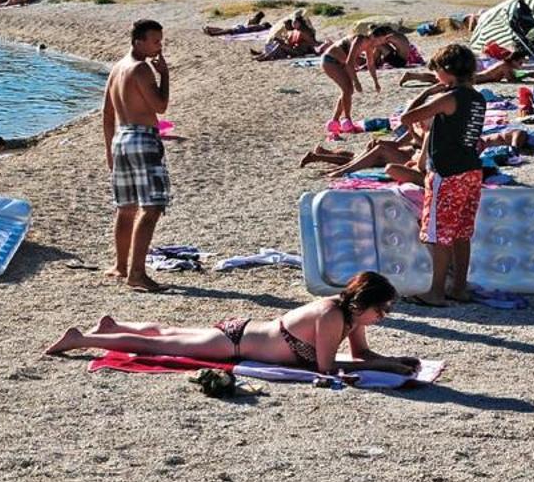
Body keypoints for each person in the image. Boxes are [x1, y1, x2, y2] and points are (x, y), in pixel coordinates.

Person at [45, 271, 416, 377]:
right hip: (235, 343)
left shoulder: (349, 315)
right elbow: (326, 367)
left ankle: (114, 326)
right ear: (365, 304)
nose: (383, 317)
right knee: (161, 346)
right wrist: (384, 366)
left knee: (170, 333)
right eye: (381, 310)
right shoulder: (331, 316)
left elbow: (362, 354)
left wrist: (393, 360)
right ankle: (83, 339)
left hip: (244, 331)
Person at [398, 43, 486, 307]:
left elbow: (407, 118)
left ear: (446, 71)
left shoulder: (449, 98)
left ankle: (435, 292)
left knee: (438, 234)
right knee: (461, 232)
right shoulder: (477, 98)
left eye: (436, 71)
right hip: (471, 170)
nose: (435, 76)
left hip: (447, 173)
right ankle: (459, 287)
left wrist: (428, 92)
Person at [104, 19, 171, 292]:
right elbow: (161, 106)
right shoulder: (141, 69)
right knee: (152, 207)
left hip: (121, 138)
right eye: (155, 41)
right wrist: (164, 75)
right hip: (143, 138)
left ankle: (120, 266)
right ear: (138, 41)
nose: (159, 47)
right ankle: (137, 273)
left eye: (160, 41)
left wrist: (110, 149)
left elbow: (107, 115)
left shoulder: (117, 68)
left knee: (126, 206)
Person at [317, 26, 393, 127]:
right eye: (382, 40)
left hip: (340, 62)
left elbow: (370, 64)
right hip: (330, 60)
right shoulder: (360, 40)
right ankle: (346, 119)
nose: (382, 43)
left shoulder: (370, 46)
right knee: (347, 89)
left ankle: (335, 120)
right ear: (374, 37)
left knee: (348, 90)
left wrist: (376, 82)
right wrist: (356, 81)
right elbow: (349, 63)